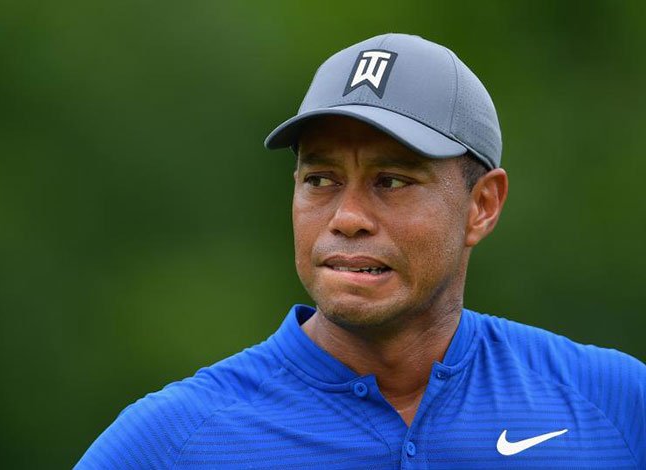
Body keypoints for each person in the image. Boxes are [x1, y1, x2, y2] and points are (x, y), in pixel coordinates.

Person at [76, 33, 645, 469]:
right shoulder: (173, 442)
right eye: (320, 179)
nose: (346, 218)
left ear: (482, 205)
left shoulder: (613, 405)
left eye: (391, 181)